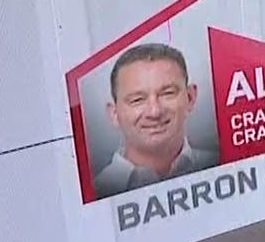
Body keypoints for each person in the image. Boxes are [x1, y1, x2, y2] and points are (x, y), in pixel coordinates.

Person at [92, 43, 215, 198]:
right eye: (137, 100)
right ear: (114, 114)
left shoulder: (224, 164)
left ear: (190, 98)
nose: (154, 112)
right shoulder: (97, 193)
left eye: (167, 93)